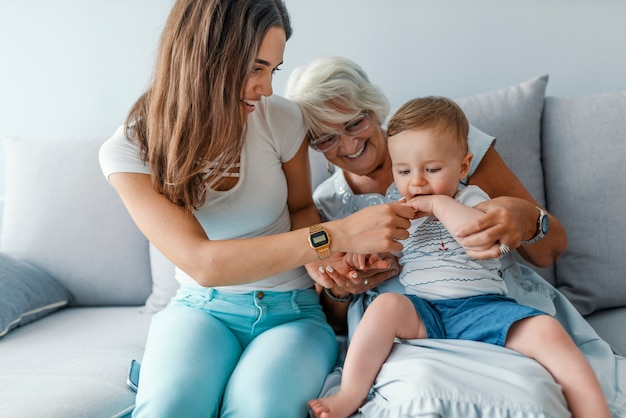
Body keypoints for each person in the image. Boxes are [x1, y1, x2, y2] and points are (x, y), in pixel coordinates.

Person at [98, 3, 416, 417]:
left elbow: (301, 207)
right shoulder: (128, 151)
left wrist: (330, 268)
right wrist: (338, 235)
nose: (266, 88)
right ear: (203, 58)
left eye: (274, 71)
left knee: (261, 409)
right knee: (170, 408)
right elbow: (204, 263)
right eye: (255, 68)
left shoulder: (281, 119)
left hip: (292, 315)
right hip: (201, 308)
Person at [286, 56, 623, 417]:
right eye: (325, 138)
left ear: (372, 108)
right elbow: (333, 311)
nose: (347, 144)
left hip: (486, 302)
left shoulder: (445, 143)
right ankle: (350, 395)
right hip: (413, 320)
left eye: (355, 123)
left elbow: (546, 248)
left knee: (535, 382)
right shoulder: (324, 203)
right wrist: (347, 282)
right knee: (414, 380)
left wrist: (524, 219)